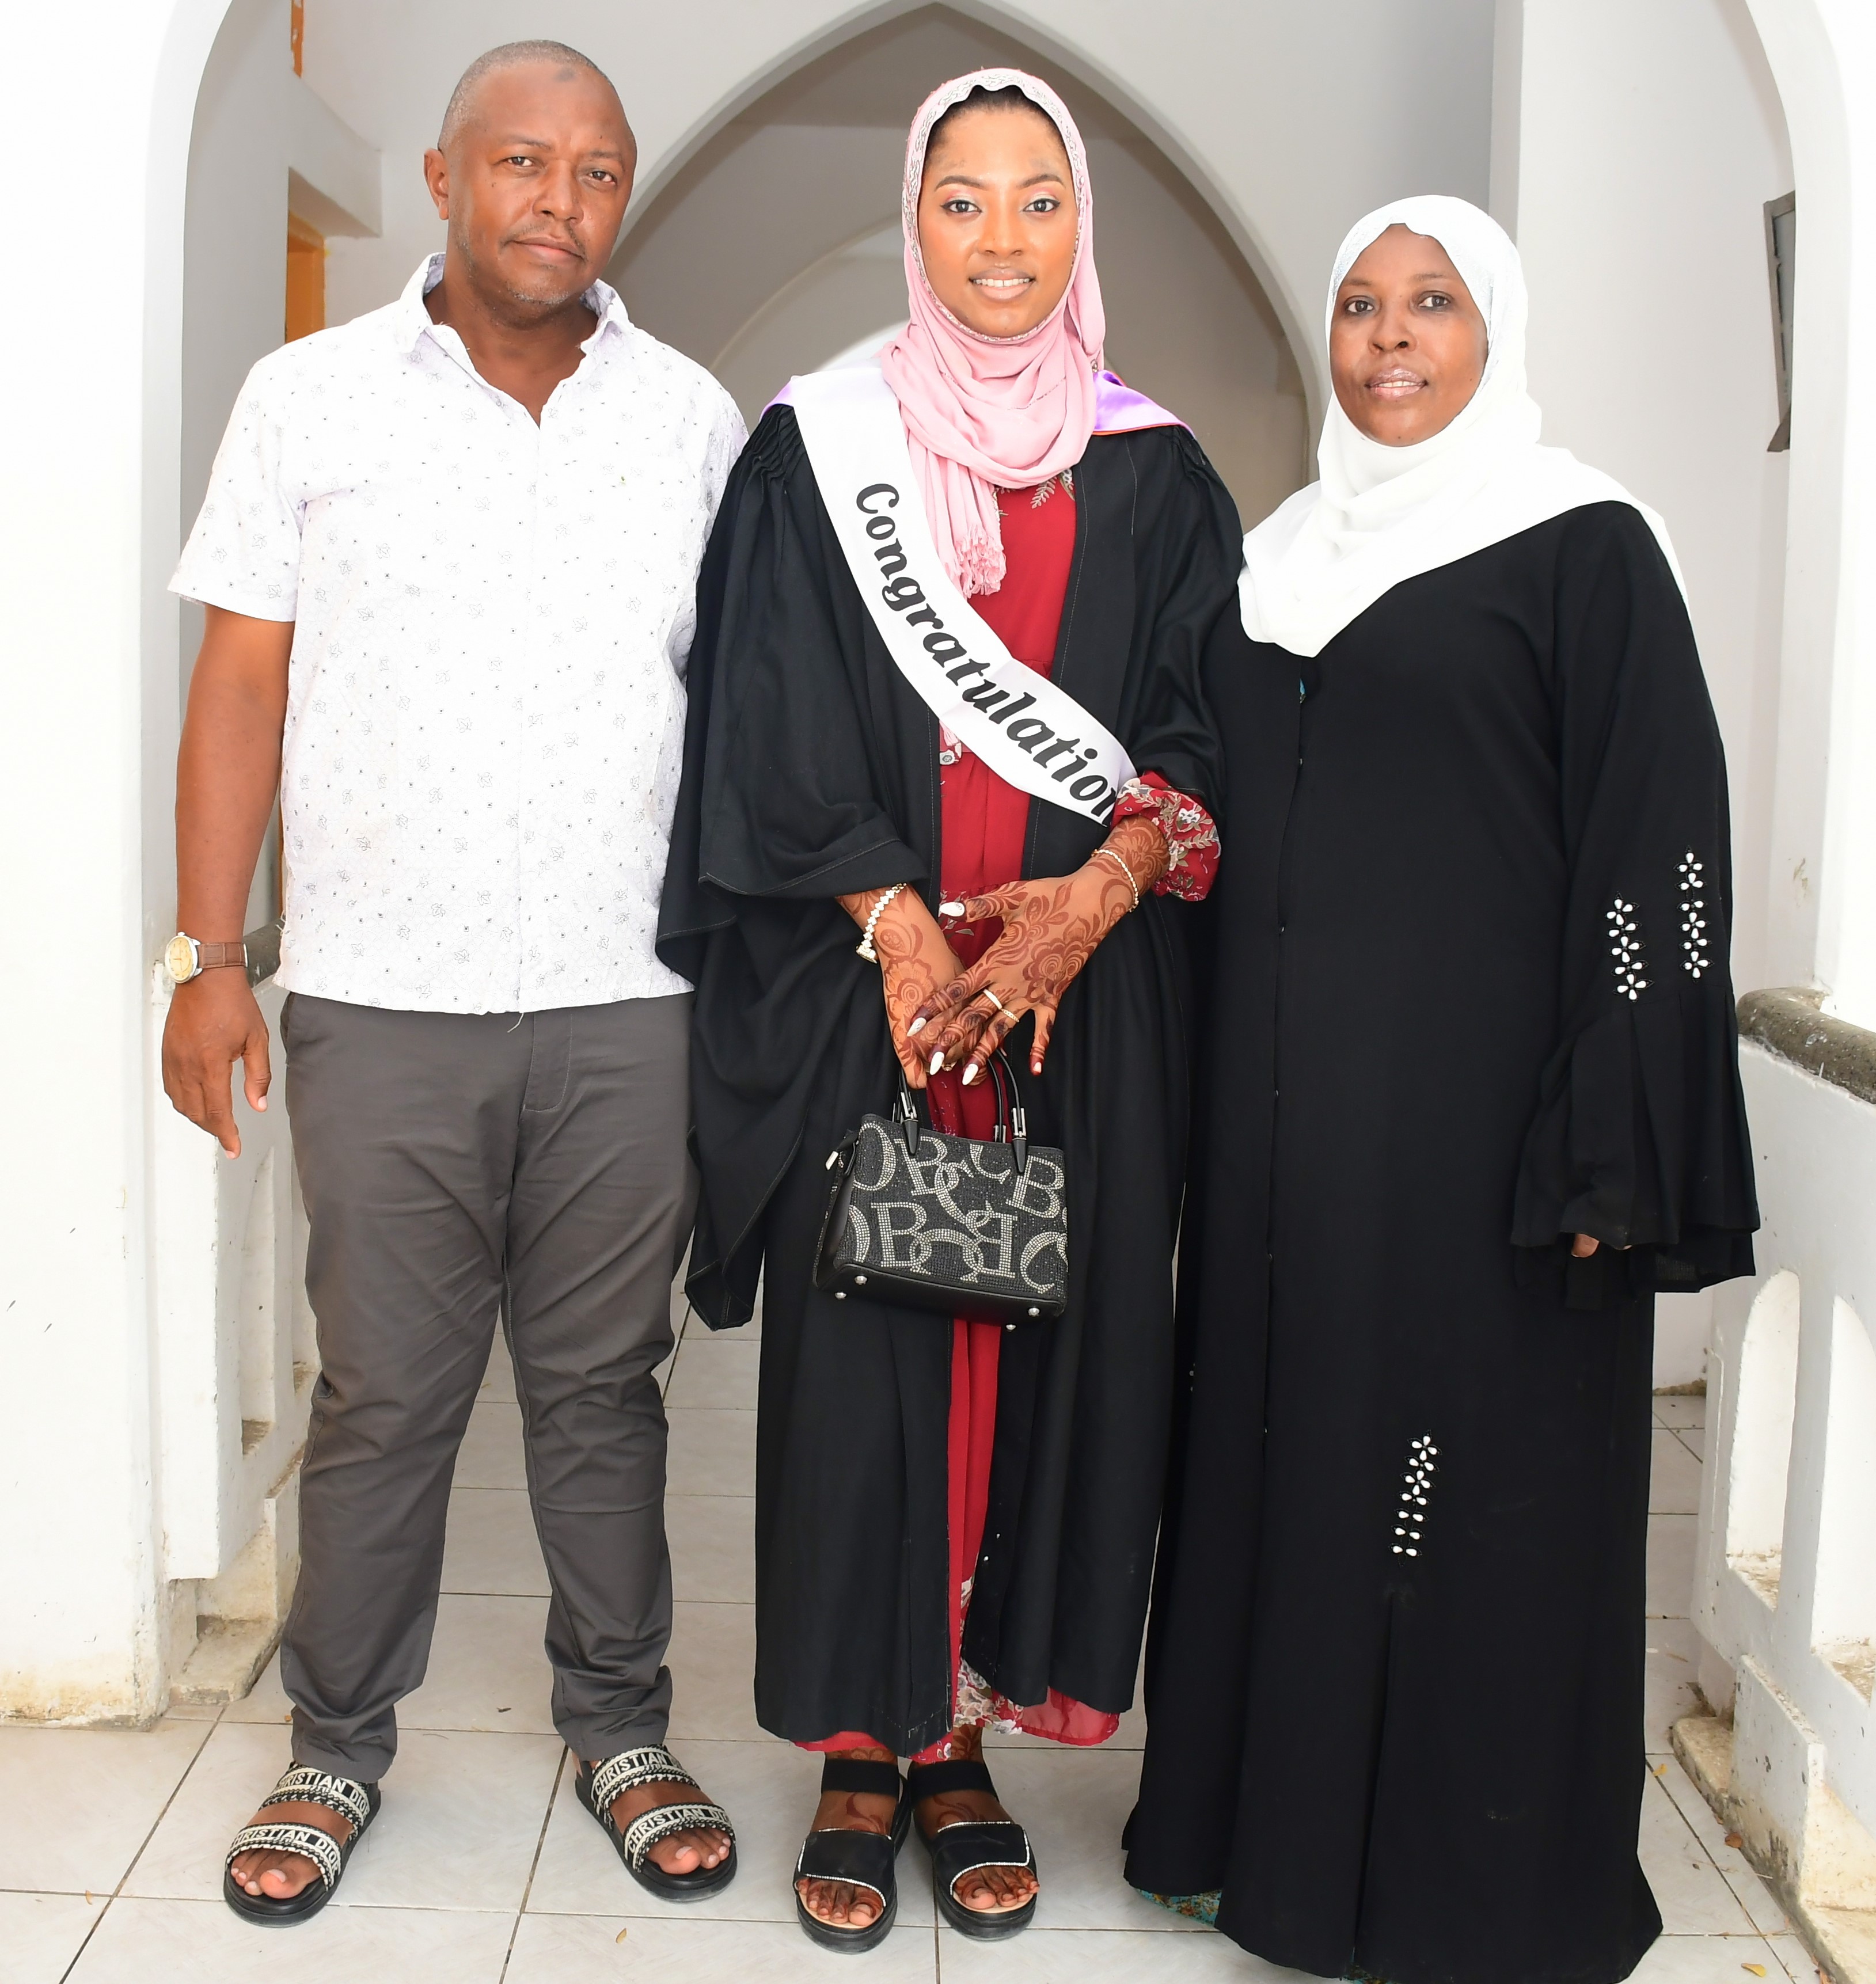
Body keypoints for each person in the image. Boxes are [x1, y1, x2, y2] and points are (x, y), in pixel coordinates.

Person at [1124, 196, 1759, 1983]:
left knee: (1454, 1490)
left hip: (1484, 1147)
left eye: (1432, 304)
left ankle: (1463, 1886)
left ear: (1496, 332)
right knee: (1279, 1458)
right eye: (1358, 304)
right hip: (1279, 1152)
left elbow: (1659, 854)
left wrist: (1614, 1129)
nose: (1389, 337)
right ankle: (1253, 1847)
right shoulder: (1271, 560)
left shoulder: (1582, 545)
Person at [164, 41, 747, 1924]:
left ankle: (622, 1727)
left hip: (625, 999)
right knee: (385, 1399)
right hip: (380, 998)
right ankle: (335, 1746)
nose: (558, 201)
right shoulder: (308, 397)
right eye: (521, 162)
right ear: (442, 174)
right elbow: (238, 685)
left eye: (595, 171)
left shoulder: (691, 420)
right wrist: (209, 956)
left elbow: (746, 714)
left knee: (605, 1392)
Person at [658, 68, 1237, 1952]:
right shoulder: (815, 449)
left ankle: (963, 1737)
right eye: (962, 200)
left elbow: (1207, 733)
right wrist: (900, 929)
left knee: (1040, 1364)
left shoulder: (1157, 471)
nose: (1001, 240)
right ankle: (860, 1743)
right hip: (876, 1007)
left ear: (1082, 227)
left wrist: (1085, 905)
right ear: (913, 221)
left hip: (1076, 1012)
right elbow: (761, 714)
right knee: (870, 1373)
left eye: (1037, 200)